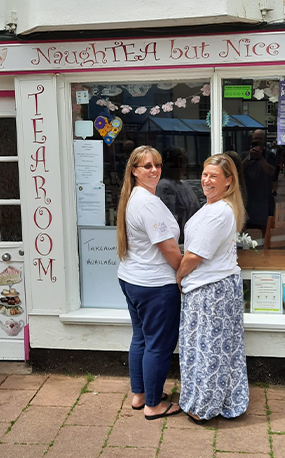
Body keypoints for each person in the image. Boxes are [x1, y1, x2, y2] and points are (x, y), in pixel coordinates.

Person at [176, 154, 249, 424]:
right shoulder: (217, 206)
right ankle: (224, 400)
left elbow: (195, 256)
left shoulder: (219, 212)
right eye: (205, 174)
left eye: (214, 176)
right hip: (212, 287)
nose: (207, 180)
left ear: (228, 181)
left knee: (209, 349)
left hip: (211, 289)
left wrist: (178, 276)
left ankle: (204, 405)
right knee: (216, 349)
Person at [116, 145, 183, 421]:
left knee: (141, 338)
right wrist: (183, 273)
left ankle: (140, 394)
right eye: (147, 166)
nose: (154, 170)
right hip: (155, 285)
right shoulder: (147, 203)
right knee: (159, 344)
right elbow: (168, 247)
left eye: (157, 164)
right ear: (134, 171)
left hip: (132, 278)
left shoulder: (135, 197)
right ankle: (153, 405)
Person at [156, 146, 199, 243]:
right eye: (183, 161)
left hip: (192, 239)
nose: (185, 165)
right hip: (177, 241)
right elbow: (169, 217)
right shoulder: (164, 186)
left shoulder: (185, 185)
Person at [242, 129, 276, 237]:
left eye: (260, 139)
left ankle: (266, 249)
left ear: (264, 140)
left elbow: (271, 172)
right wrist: (249, 158)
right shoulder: (244, 155)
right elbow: (238, 170)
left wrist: (260, 158)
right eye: (255, 138)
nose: (257, 141)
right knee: (242, 227)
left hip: (263, 198)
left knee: (265, 227)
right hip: (248, 197)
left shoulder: (269, 155)